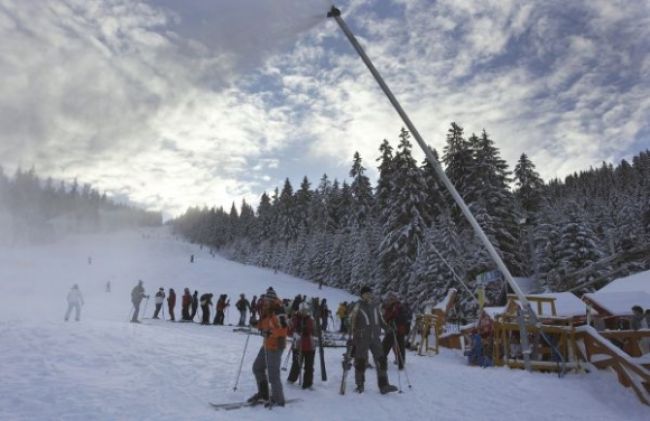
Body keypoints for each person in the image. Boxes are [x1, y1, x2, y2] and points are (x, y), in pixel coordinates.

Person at [349, 285, 398, 394]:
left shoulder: (375, 306)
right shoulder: (357, 306)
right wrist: (353, 331)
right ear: (362, 295)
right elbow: (350, 321)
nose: (369, 295)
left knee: (381, 360)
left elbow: (380, 320)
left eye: (370, 293)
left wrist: (388, 328)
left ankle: (384, 385)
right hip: (362, 338)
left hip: (375, 338)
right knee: (360, 361)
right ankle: (360, 384)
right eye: (366, 293)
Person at [248, 287, 289, 407]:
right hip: (267, 343)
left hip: (276, 346)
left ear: (272, 300)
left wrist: (270, 333)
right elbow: (265, 324)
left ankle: (278, 399)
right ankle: (264, 393)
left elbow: (283, 328)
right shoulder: (268, 310)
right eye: (264, 300)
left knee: (273, 374)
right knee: (257, 368)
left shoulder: (278, 310)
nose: (264, 302)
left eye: (266, 300)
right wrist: (256, 323)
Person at [287, 302, 316, 389]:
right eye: (303, 310)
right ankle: (291, 379)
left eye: (306, 310)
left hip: (310, 346)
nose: (304, 312)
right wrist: (295, 332)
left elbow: (315, 331)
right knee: (296, 364)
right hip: (298, 345)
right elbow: (288, 331)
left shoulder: (311, 319)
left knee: (309, 366)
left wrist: (309, 331)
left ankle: (308, 383)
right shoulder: (294, 318)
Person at [381, 292, 408, 370]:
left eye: (392, 299)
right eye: (390, 299)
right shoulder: (388, 307)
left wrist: (396, 319)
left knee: (400, 346)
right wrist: (389, 321)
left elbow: (404, 318)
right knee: (385, 345)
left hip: (399, 329)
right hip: (391, 329)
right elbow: (385, 318)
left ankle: (401, 364)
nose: (391, 300)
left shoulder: (400, 307)